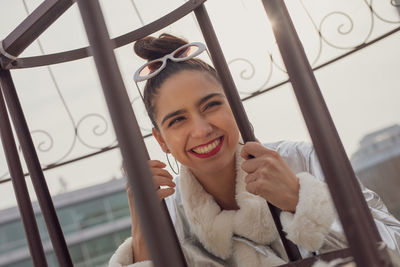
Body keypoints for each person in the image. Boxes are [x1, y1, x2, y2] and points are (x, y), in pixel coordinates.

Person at [109, 33, 400, 267]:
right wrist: (142, 243)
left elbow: (394, 246)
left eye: (211, 105)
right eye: (178, 120)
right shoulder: (168, 215)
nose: (200, 130)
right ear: (161, 142)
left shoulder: (301, 159)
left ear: (234, 106)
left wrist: (301, 201)